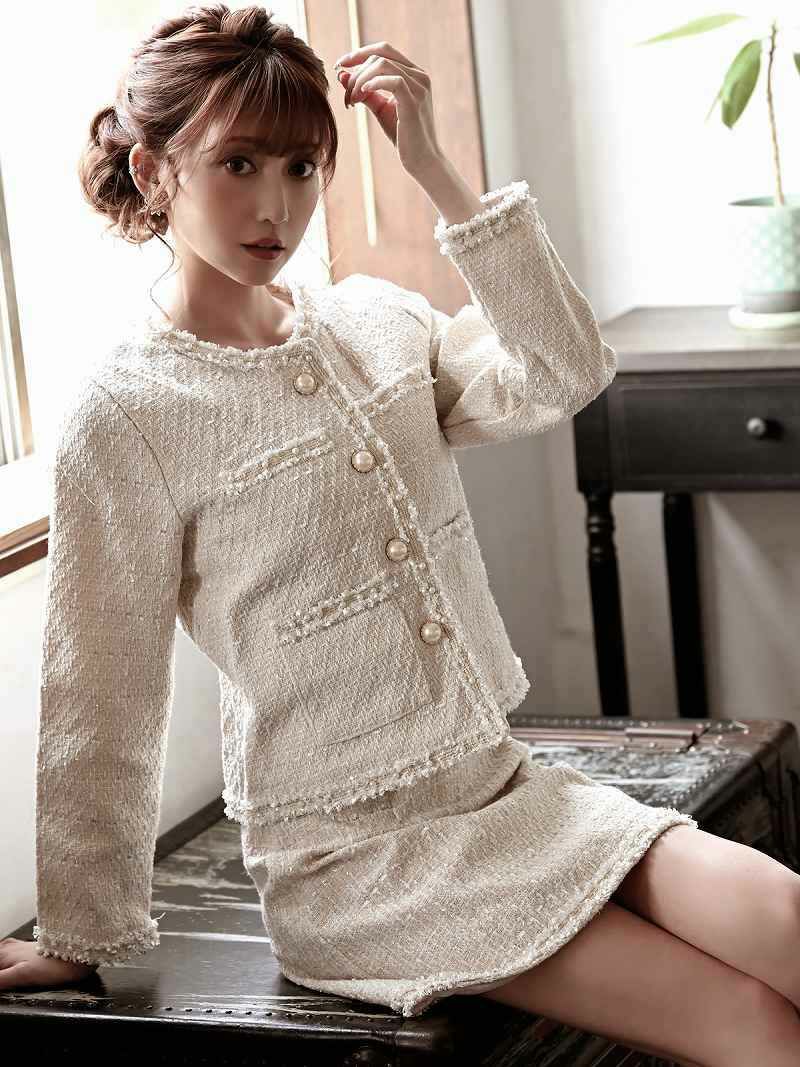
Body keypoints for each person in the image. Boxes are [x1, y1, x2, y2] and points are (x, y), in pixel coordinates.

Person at [3, 6, 800, 1064]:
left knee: (788, 919)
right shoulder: (127, 412)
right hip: (354, 864)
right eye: (238, 163)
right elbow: (99, 686)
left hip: (502, 789)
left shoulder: (372, 321)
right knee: (749, 1020)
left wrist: (435, 168)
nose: (276, 204)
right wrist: (78, 930)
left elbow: (562, 370)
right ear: (153, 172)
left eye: (302, 166)